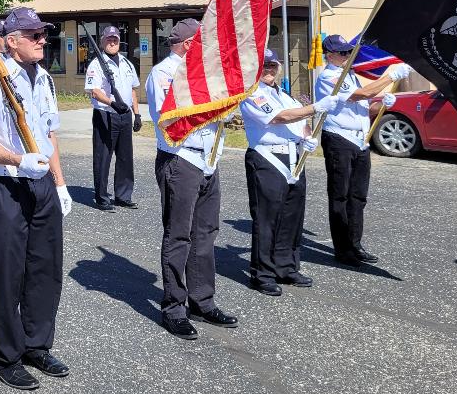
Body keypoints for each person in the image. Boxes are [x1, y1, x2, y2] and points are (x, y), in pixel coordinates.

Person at [0, 6, 72, 390]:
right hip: (7, 187)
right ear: (12, 42)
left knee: (46, 270)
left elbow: (51, 135)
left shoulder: (44, 77)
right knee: (10, 276)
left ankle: (36, 345)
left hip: (43, 184)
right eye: (35, 36)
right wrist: (17, 159)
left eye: (44, 34)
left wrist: (59, 183)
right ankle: (5, 357)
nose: (43, 40)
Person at [146, 18, 237, 341]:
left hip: (208, 159)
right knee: (179, 235)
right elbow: (169, 119)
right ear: (188, 45)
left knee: (206, 233)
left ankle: (202, 299)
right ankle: (174, 307)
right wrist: (214, 109)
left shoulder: (207, 74)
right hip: (181, 158)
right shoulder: (164, 73)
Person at [241, 48, 348, 295]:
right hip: (267, 158)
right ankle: (263, 273)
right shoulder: (252, 94)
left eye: (272, 65)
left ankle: (286, 267)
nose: (268, 70)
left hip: (294, 158)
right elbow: (279, 118)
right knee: (267, 219)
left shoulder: (286, 95)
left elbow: (300, 121)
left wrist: (308, 136)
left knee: (292, 217)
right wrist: (315, 108)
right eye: (264, 66)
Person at [316, 35, 409, 267]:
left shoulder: (350, 76)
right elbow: (363, 95)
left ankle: (355, 244)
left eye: (349, 52)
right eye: (343, 53)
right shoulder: (329, 77)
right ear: (330, 55)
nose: (348, 56)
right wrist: (390, 76)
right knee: (340, 196)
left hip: (360, 141)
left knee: (358, 197)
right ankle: (343, 249)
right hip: (339, 139)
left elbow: (364, 107)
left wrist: (382, 105)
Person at [83, 25, 141, 211]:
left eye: (115, 39)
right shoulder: (96, 64)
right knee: (103, 157)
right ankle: (102, 198)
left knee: (125, 158)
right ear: (102, 41)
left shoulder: (127, 63)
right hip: (105, 114)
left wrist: (137, 113)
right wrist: (111, 103)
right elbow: (94, 91)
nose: (112, 42)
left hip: (124, 116)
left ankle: (123, 196)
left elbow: (132, 89)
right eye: (109, 39)